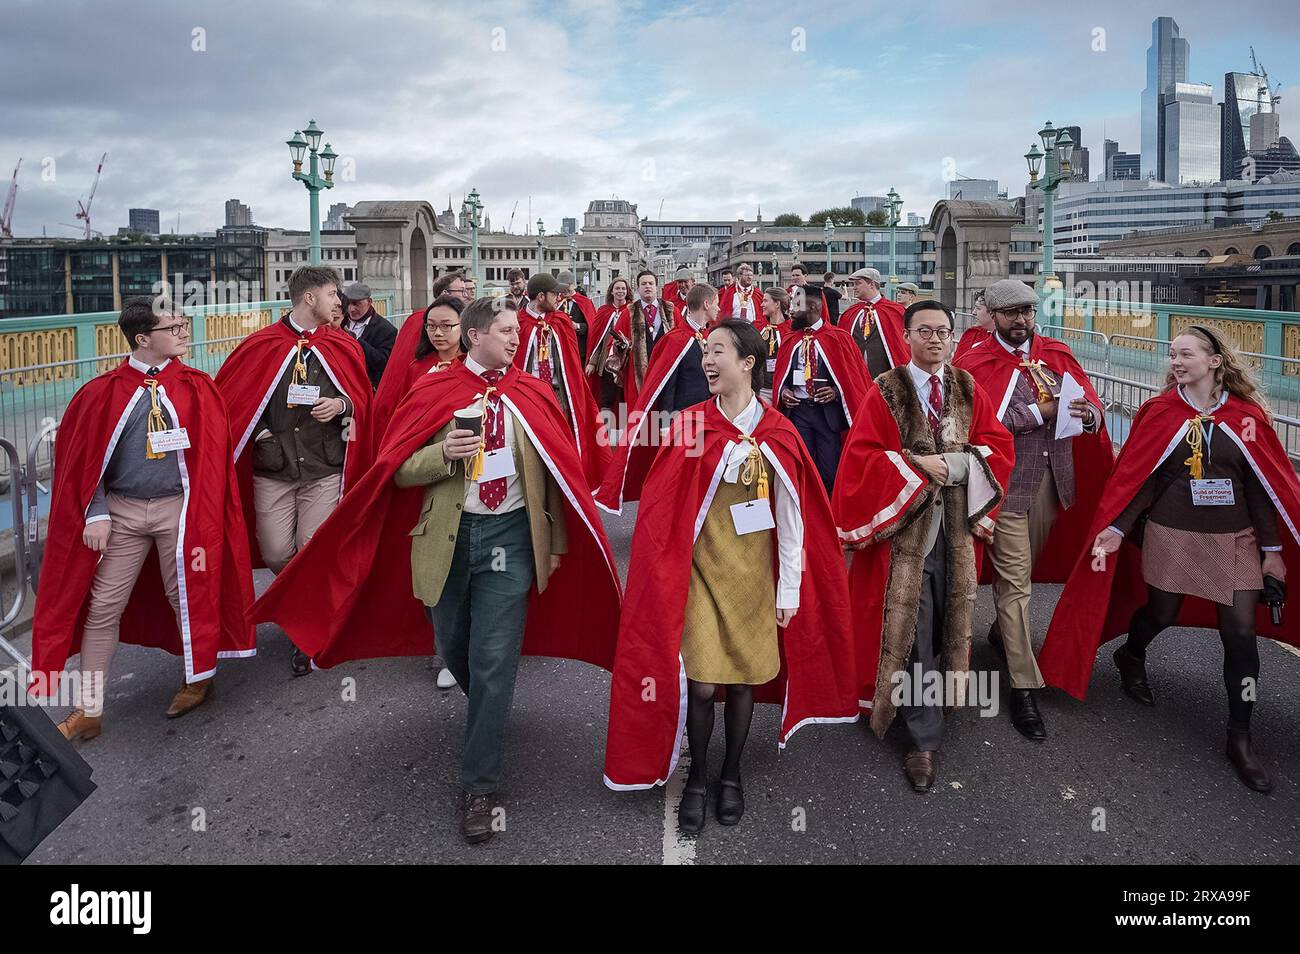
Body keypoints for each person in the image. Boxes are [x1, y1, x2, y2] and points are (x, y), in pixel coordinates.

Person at [250, 297, 621, 843]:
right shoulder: (434, 391)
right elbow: (397, 470)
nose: (516, 339)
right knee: (455, 646)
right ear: (474, 337)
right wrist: (443, 452)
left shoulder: (531, 392)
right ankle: (488, 718)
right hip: (447, 541)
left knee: (494, 660)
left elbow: (558, 476)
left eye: (517, 330)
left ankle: (480, 784)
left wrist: (558, 543)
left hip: (512, 539)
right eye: (505, 330)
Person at [604, 320, 858, 830]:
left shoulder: (779, 433)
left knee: (742, 681)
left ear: (748, 363)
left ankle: (732, 774)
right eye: (705, 353)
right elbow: (663, 506)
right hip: (699, 573)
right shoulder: (693, 425)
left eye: (718, 352)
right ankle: (698, 776)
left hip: (754, 580)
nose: (707, 362)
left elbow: (795, 518)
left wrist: (789, 587)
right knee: (701, 684)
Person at [1039, 325, 1299, 793]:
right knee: (1162, 612)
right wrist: (1116, 529)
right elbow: (1142, 478)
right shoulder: (1159, 411)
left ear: (1215, 360)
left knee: (1240, 635)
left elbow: (1264, 487)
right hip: (1172, 533)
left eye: (1186, 354)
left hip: (1235, 540)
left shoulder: (1247, 417)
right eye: (1172, 355)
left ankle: (1240, 736)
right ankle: (1131, 654)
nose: (1176, 362)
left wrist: (1274, 552)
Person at [31, 297, 254, 738]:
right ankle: (89, 709)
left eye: (182, 324)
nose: (183, 333)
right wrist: (94, 513)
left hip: (182, 511)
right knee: (102, 607)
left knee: (188, 597)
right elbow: (79, 466)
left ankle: (198, 679)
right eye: (174, 327)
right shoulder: (100, 393)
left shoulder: (198, 386)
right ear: (143, 338)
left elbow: (212, 460)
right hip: (123, 513)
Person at [833, 299, 1014, 792]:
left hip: (954, 531)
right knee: (914, 626)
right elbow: (861, 457)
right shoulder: (885, 390)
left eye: (944, 331)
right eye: (925, 330)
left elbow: (997, 444)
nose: (936, 339)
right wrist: (912, 467)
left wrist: (954, 466)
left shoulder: (967, 386)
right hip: (904, 535)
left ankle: (929, 703)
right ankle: (922, 740)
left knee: (944, 624)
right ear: (907, 336)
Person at [954, 278, 1113, 741]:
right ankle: (1024, 687)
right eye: (1011, 313)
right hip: (1003, 487)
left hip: (1053, 484)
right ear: (994, 316)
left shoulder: (1058, 354)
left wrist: (1090, 417)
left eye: (1027, 311)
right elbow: (973, 424)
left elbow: (1093, 407)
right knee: (1016, 583)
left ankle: (1004, 638)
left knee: (1027, 573)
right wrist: (1038, 413)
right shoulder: (976, 361)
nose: (1021, 320)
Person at [214, 266, 370, 675]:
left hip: (324, 466)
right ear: (309, 298)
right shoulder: (260, 345)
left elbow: (363, 399)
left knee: (312, 548)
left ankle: (309, 634)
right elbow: (233, 402)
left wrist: (343, 406)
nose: (340, 302)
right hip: (274, 469)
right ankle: (308, 606)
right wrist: (260, 431)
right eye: (334, 294)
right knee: (277, 552)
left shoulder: (344, 345)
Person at [596, 283, 719, 512]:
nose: (719, 309)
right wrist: (666, 423)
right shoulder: (677, 339)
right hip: (682, 419)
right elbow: (666, 384)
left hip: (704, 417)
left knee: (699, 476)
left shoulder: (705, 336)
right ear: (706, 304)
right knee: (680, 476)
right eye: (716, 303)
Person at [770, 292, 872, 493]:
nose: (791, 310)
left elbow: (853, 378)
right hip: (798, 412)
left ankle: (831, 512)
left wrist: (835, 391)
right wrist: (783, 391)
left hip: (827, 415)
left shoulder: (838, 338)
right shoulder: (790, 339)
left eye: (796, 305)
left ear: (813, 307)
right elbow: (781, 376)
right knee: (803, 466)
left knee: (829, 470)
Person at [517, 272, 609, 487]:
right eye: (554, 294)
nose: (559, 297)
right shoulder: (517, 324)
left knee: (563, 440)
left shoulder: (560, 321)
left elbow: (571, 363)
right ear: (540, 296)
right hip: (529, 395)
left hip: (559, 394)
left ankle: (565, 483)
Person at [380, 271, 472, 397]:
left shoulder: (474, 364)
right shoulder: (418, 368)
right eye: (431, 326)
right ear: (445, 294)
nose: (438, 333)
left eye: (446, 326)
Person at [838, 266, 908, 379]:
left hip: (887, 378)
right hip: (857, 376)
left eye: (858, 283)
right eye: (853, 284)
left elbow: (904, 345)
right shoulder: (850, 313)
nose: (854, 288)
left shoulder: (895, 311)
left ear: (871, 284)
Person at [620, 269, 676, 411]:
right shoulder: (629, 312)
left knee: (665, 414)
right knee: (642, 417)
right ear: (638, 288)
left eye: (651, 283)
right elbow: (616, 341)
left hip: (666, 371)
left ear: (656, 287)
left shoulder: (670, 310)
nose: (647, 286)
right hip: (639, 373)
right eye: (643, 283)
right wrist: (622, 346)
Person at [584, 277, 632, 410]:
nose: (620, 291)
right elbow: (597, 339)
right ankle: (604, 429)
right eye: (617, 288)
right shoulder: (604, 311)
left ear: (627, 291)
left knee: (624, 397)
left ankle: (623, 427)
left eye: (623, 288)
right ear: (611, 291)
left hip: (626, 360)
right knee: (606, 396)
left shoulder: (632, 310)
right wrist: (592, 362)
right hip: (607, 360)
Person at [342, 281, 398, 389]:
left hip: (367, 387)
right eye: (348, 303)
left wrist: (357, 341)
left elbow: (383, 363)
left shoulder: (386, 329)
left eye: (356, 304)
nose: (351, 309)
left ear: (369, 302)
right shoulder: (339, 321)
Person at [555, 270, 597, 362]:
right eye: (562, 288)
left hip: (580, 350)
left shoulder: (585, 302)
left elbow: (592, 327)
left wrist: (577, 326)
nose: (564, 291)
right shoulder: (556, 303)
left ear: (573, 285)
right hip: (560, 349)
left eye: (567, 287)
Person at [757, 287, 790, 402]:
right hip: (762, 389)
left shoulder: (791, 330)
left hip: (784, 390)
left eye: (766, 301)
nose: (762, 304)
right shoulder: (757, 327)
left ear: (777, 304)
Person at [954, 291, 995, 361]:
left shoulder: (1012, 339)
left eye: (978, 308)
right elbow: (957, 366)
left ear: (992, 311)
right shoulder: (971, 335)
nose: (973, 313)